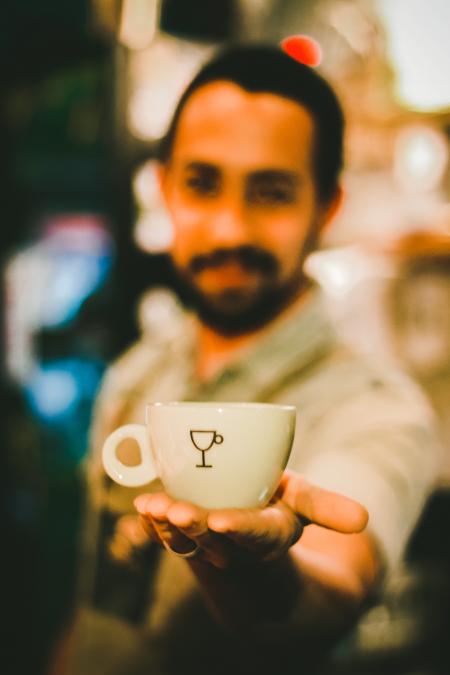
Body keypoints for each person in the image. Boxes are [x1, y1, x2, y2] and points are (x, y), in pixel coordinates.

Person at [64, 44, 439, 675]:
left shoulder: (380, 410)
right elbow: (103, 610)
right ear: (163, 189)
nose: (230, 228)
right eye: (202, 184)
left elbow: (329, 589)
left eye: (271, 192)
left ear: (327, 208)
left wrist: (263, 577)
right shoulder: (139, 374)